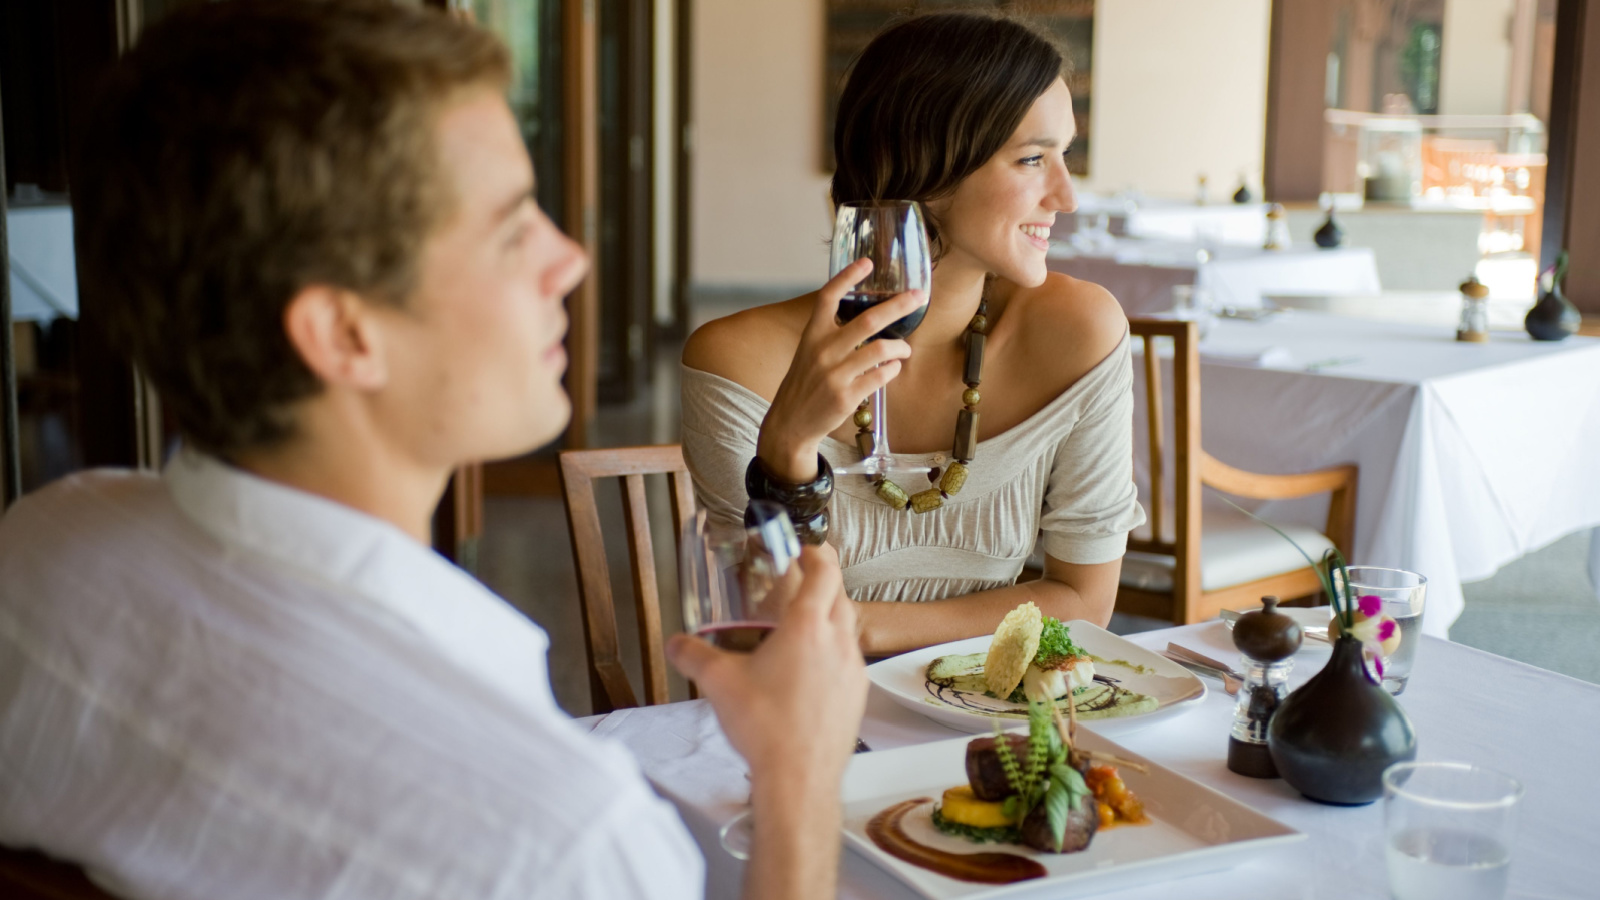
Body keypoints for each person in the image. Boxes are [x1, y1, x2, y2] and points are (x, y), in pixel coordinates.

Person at [0, 3, 865, 900]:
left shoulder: (39, 547)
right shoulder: (558, 838)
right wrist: (799, 777)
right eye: (509, 228)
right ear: (344, 333)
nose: (568, 257)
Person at [681, 11, 1146, 657]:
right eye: (1033, 159)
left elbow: (1084, 600)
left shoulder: (1080, 335)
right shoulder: (740, 360)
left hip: (989, 723)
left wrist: (861, 626)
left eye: (1064, 155)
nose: (1065, 196)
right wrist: (787, 451)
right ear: (928, 170)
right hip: (806, 724)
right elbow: (758, 627)